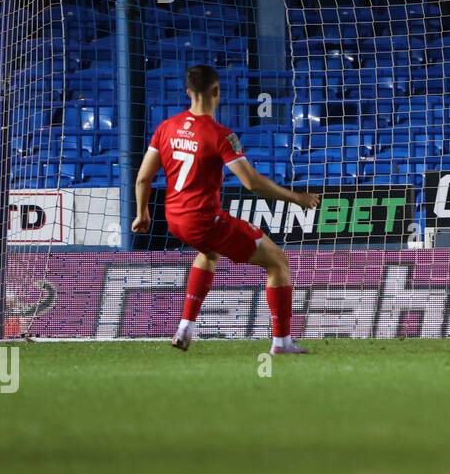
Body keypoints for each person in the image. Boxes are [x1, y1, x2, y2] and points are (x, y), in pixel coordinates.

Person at [132, 64, 320, 354]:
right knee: (278, 262)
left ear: (188, 92)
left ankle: (184, 328)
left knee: (208, 253)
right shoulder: (220, 134)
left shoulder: (165, 128)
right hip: (205, 220)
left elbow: (144, 177)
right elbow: (251, 182)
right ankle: (282, 342)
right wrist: (297, 198)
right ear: (217, 91)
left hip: (174, 219)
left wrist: (142, 213)